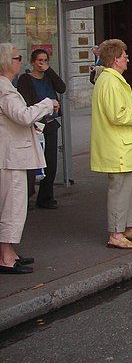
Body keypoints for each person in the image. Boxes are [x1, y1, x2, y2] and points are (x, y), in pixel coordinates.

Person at [0, 43, 58, 274]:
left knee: (14, 205)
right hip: (11, 157)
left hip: (14, 154)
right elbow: (22, 116)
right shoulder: (5, 89)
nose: (20, 61)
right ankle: (5, 256)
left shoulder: (8, 86)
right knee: (12, 207)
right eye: (17, 57)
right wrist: (47, 104)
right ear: (6, 61)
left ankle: (9, 251)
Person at [90, 39, 132, 249]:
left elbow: (118, 109)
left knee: (128, 190)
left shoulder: (112, 80)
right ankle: (116, 233)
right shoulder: (110, 82)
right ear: (116, 59)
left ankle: (127, 228)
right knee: (119, 191)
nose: (127, 59)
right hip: (118, 148)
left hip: (124, 147)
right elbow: (117, 116)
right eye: (125, 56)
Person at [16, 49, 66, 209]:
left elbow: (62, 87)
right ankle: (27, 196)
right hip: (36, 124)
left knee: (50, 162)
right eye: (39, 61)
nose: (42, 63)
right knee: (32, 163)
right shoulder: (26, 79)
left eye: (45, 60)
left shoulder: (49, 77)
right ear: (32, 62)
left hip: (50, 124)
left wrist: (49, 71)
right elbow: (25, 101)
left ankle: (46, 196)